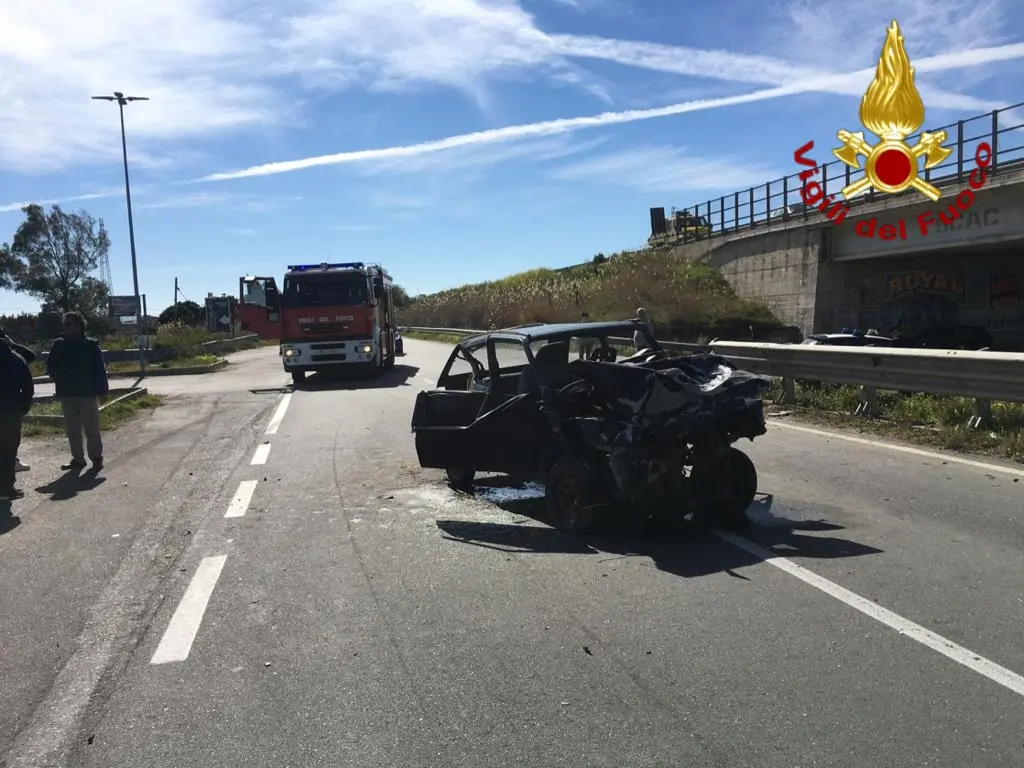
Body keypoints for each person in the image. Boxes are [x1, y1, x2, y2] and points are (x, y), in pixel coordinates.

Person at [46, 312, 109, 471]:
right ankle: (78, 459)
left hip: (87, 393)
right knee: (73, 430)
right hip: (67, 393)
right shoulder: (59, 344)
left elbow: (99, 369)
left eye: (69, 324)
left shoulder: (90, 345)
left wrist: (103, 391)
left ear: (80, 325)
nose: (66, 327)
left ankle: (96, 458)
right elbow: (50, 365)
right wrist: (56, 374)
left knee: (92, 428)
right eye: (65, 324)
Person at [0, 335, 34, 501]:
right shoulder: (16, 358)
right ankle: (6, 488)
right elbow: (28, 387)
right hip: (10, 410)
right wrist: (23, 408)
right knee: (8, 450)